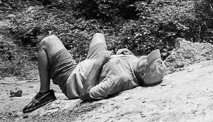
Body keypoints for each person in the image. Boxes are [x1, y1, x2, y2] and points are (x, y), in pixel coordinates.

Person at [23, 32, 166, 113]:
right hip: (93, 62)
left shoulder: (119, 79)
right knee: (98, 35)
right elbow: (137, 62)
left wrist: (99, 62)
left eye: (148, 61)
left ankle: (44, 94)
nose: (146, 57)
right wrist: (125, 55)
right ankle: (93, 62)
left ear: (142, 75)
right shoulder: (137, 65)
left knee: (48, 41)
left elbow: (86, 94)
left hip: (74, 76)